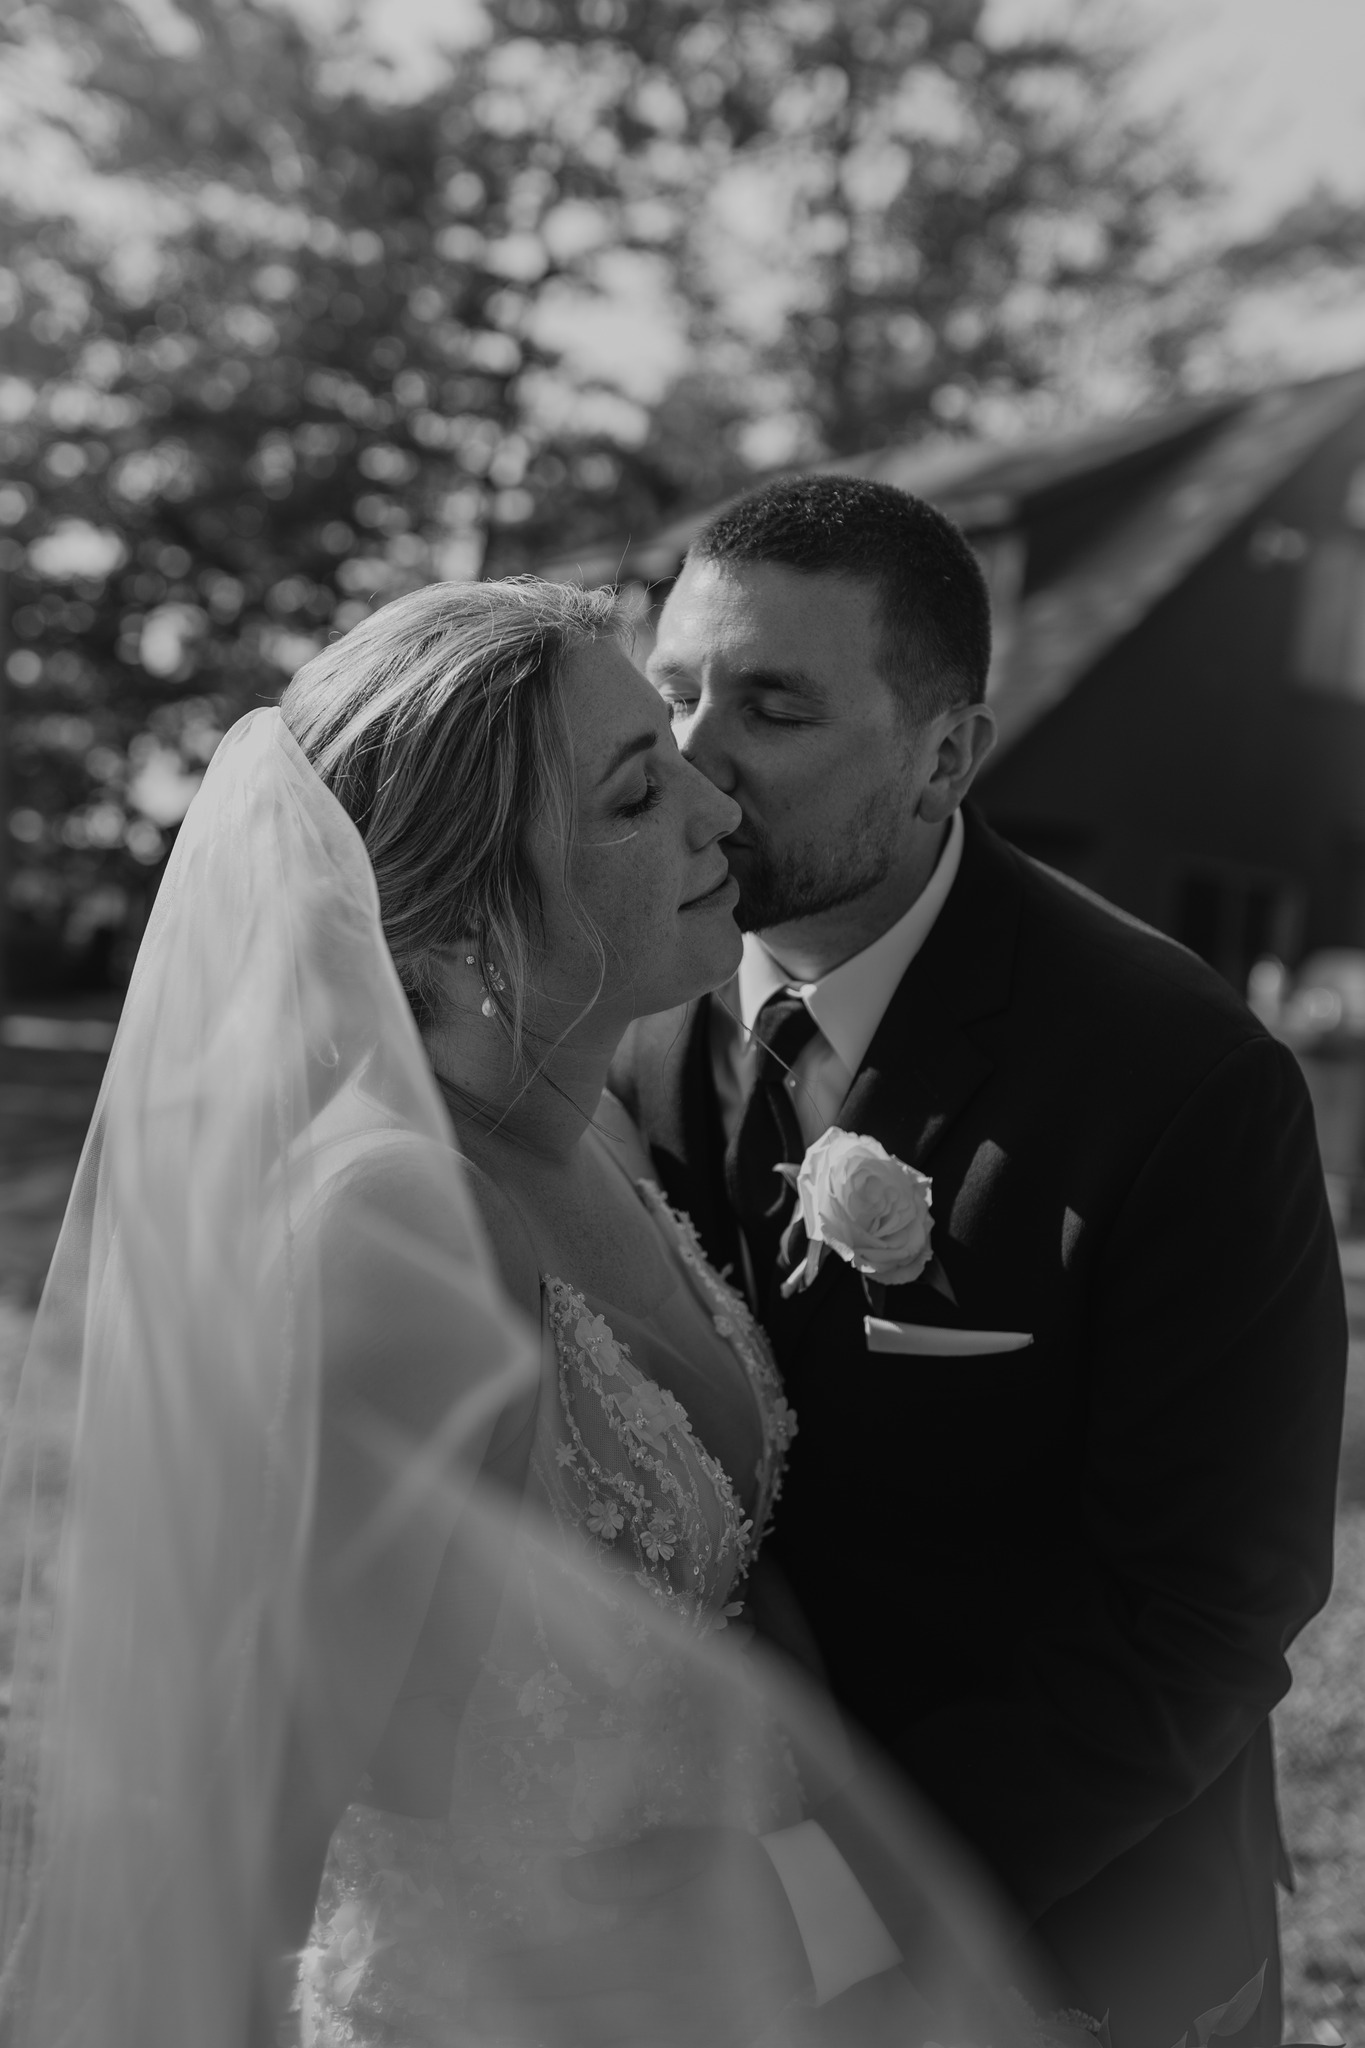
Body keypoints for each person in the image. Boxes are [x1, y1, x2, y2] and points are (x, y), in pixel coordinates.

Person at [0, 576, 1032, 2048]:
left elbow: (724, 1591)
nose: (716, 811)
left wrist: (818, 1915)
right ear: (458, 923)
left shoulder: (597, 1137)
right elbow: (235, 1828)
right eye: (632, 797)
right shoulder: (391, 1238)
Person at [608, 473, 1349, 2047]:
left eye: (772, 706)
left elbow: (1207, 1603)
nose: (693, 761)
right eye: (671, 691)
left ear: (947, 754)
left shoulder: (1180, 1079)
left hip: (1068, 1940)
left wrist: (820, 1900)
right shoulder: (630, 1013)